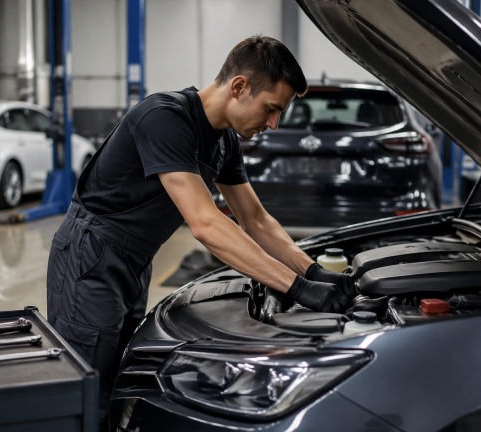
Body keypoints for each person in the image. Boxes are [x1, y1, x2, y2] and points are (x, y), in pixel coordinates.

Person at [45, 35, 355, 430]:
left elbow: (255, 220)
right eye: (272, 109)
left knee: (123, 378)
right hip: (89, 256)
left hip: (134, 260)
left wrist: (314, 272)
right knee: (89, 392)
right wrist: (296, 288)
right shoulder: (165, 117)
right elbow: (205, 224)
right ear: (240, 86)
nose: (274, 124)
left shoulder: (224, 140)